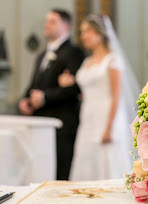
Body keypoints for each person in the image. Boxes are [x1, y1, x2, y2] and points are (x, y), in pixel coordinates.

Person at [59, 14, 139, 180]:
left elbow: (116, 96)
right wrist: (68, 82)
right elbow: (86, 90)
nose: (83, 36)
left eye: (88, 31)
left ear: (100, 33)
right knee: (86, 159)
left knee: (107, 160)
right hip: (88, 117)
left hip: (107, 117)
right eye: (82, 32)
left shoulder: (112, 60)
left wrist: (109, 127)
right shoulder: (87, 61)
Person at [18, 9, 85, 180]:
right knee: (42, 171)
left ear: (66, 26)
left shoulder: (73, 52)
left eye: (53, 21)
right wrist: (25, 100)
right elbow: (34, 84)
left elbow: (77, 87)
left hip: (62, 122)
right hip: (40, 121)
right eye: (47, 21)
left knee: (60, 171)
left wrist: (45, 97)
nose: (46, 24)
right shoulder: (42, 54)